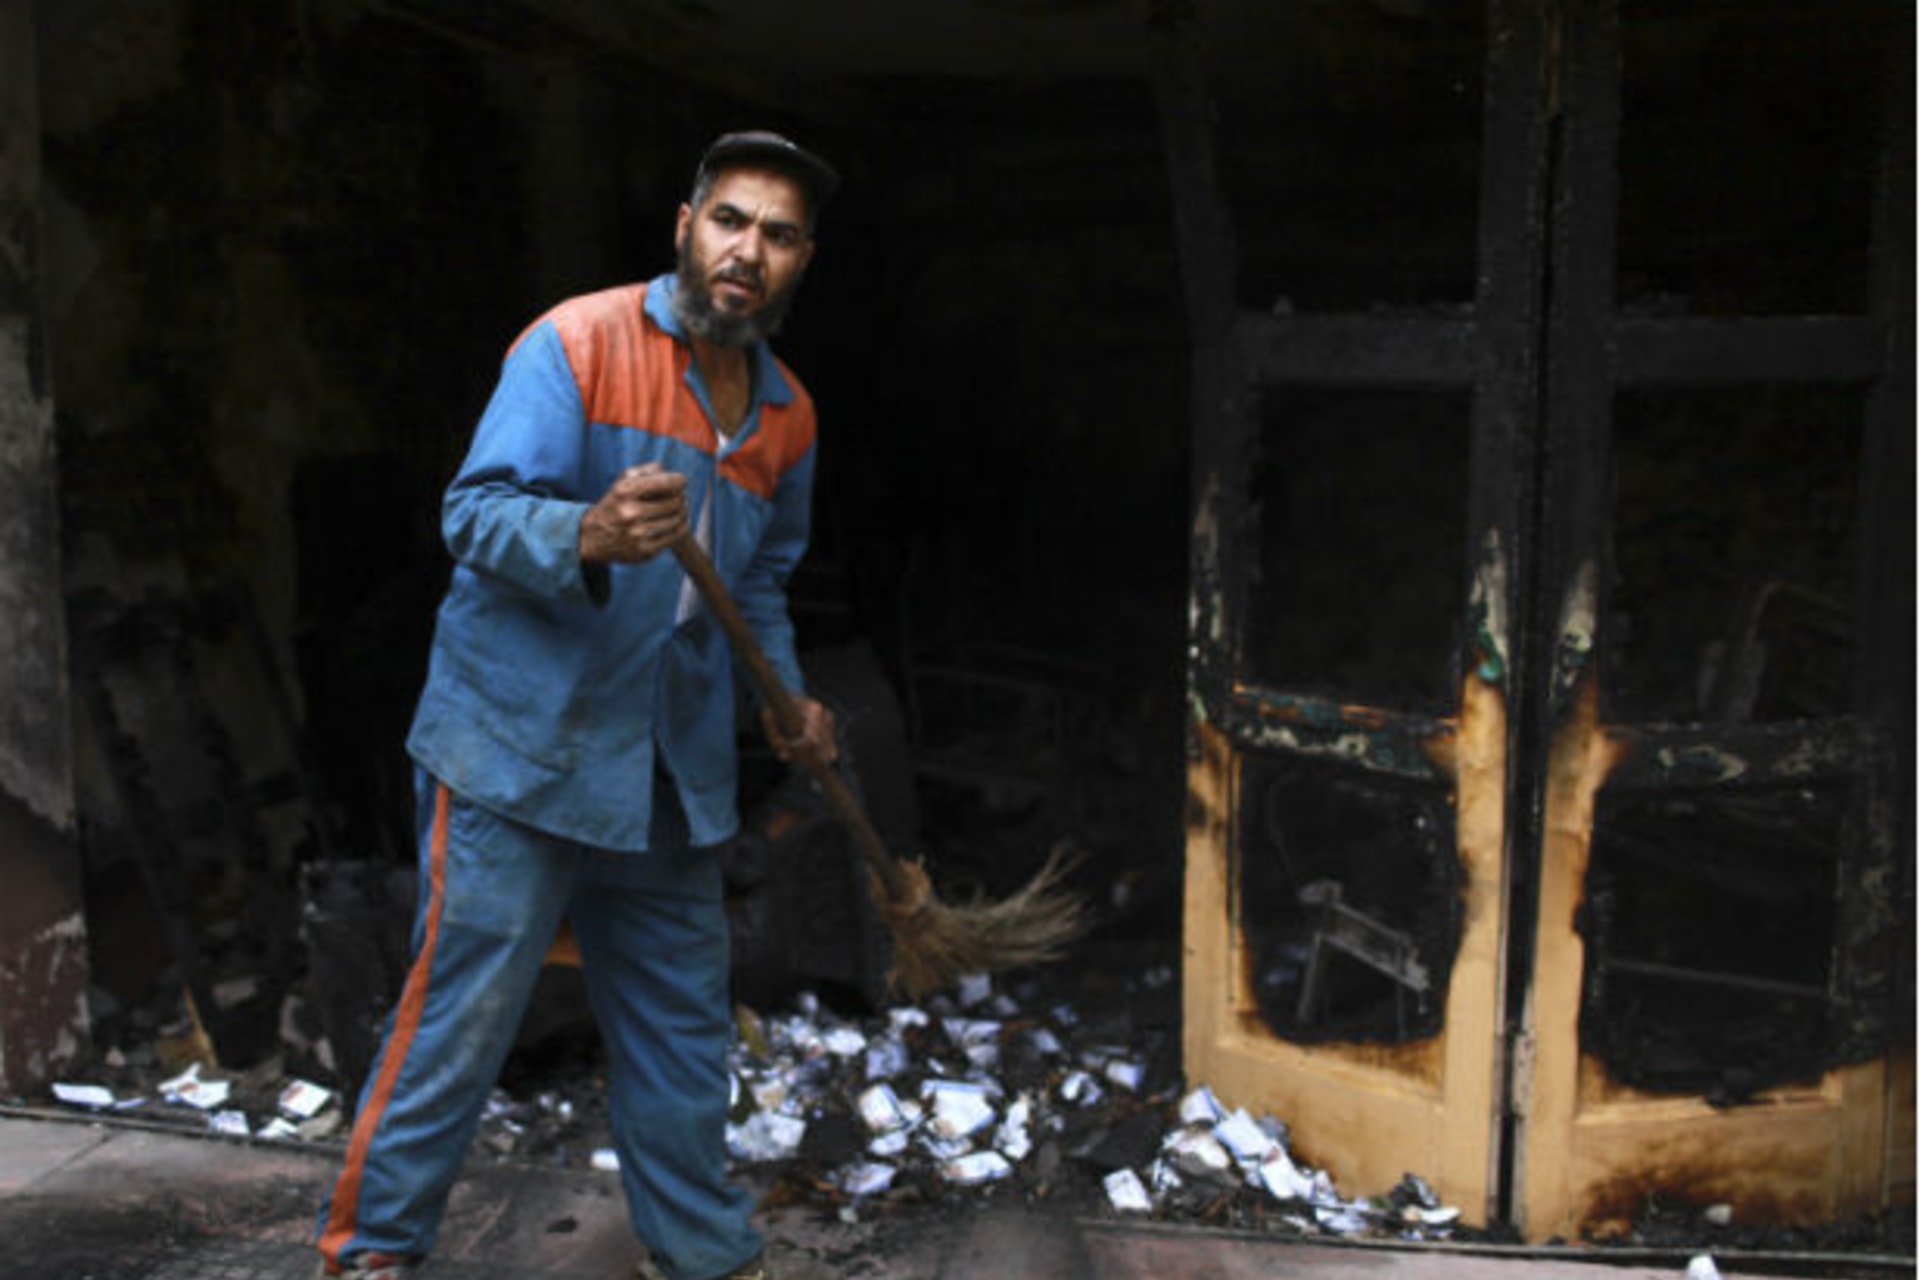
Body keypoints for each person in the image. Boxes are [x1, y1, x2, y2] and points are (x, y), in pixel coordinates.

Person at [311, 131, 844, 1280]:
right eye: (731, 220)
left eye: (781, 234)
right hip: (521, 750)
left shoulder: (786, 417)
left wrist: (786, 696)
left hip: (667, 770)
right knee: (460, 1020)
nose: (749, 250)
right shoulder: (579, 342)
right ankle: (367, 1253)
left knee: (682, 1033)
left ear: (803, 261)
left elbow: (758, 582)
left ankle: (700, 1253)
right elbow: (474, 513)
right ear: (685, 227)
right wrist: (584, 532)